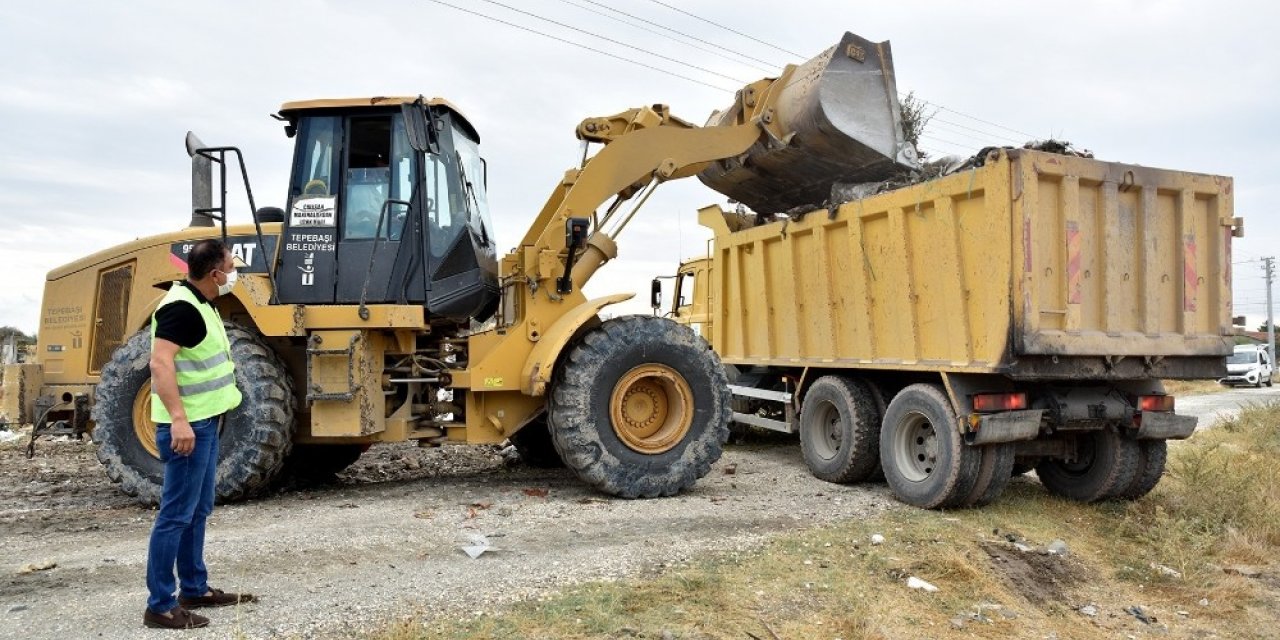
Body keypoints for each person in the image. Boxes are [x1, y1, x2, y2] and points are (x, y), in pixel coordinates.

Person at [143, 239, 255, 630]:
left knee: (197, 509)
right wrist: (178, 420)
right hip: (188, 428)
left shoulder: (201, 301)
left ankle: (194, 587)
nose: (234, 273)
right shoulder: (180, 308)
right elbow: (160, 364)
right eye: (231, 267)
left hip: (205, 422)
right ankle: (159, 604)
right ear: (215, 274)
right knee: (175, 515)